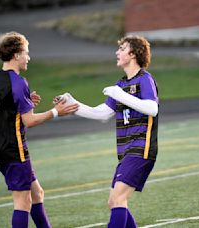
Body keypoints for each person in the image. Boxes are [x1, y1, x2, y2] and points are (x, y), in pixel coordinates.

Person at [57, 35, 158, 228]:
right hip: (127, 151)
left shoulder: (145, 79)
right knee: (115, 202)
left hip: (141, 149)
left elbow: (152, 108)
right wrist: (73, 104)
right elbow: (101, 114)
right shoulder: (120, 84)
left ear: (134, 53)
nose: (117, 52)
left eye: (122, 48)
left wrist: (120, 95)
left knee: (118, 200)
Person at [0, 31, 78, 228]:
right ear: (16, 55)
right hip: (14, 149)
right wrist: (56, 111)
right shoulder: (18, 82)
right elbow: (29, 121)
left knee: (37, 194)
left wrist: (23, 102)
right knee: (22, 202)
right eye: (26, 52)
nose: (29, 57)